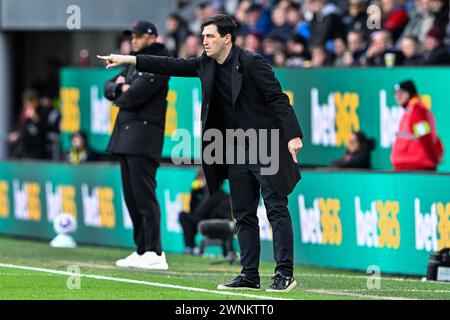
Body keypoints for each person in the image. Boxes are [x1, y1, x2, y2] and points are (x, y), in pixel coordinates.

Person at [98, 14, 303, 292]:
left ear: (227, 39)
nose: (203, 41)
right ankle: (250, 274)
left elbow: (278, 99)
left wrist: (293, 135)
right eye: (203, 36)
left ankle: (284, 274)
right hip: (233, 146)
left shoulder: (252, 62)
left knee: (276, 209)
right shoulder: (206, 64)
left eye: (210, 36)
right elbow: (170, 64)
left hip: (264, 142)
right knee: (242, 213)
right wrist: (129, 60)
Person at [103, 21, 171, 270]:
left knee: (144, 196)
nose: (134, 39)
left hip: (144, 137)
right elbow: (108, 87)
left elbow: (133, 97)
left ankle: (156, 251)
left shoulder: (160, 60)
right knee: (131, 197)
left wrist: (122, 91)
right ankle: (142, 248)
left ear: (152, 37)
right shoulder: (134, 60)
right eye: (132, 35)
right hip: (125, 136)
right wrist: (121, 86)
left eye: (139, 35)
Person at [391, 80, 443, 170]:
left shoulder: (417, 111)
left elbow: (424, 136)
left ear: (411, 93)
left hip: (416, 167)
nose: (398, 96)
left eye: (402, 93)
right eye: (396, 93)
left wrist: (433, 157)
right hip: (410, 165)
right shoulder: (410, 110)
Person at [178, 170, 232, 255]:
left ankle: (191, 247)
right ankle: (191, 247)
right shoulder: (214, 190)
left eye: (200, 180)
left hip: (217, 224)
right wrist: (195, 193)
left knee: (183, 216)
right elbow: (195, 212)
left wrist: (194, 192)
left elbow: (199, 212)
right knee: (186, 217)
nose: (199, 183)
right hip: (215, 222)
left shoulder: (213, 191)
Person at [8, 89, 46, 159]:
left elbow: (43, 131)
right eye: (25, 104)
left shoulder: (42, 112)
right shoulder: (23, 113)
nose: (26, 106)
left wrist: (35, 118)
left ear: (35, 102)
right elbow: (18, 127)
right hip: (23, 150)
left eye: (29, 103)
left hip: (37, 153)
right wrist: (15, 133)